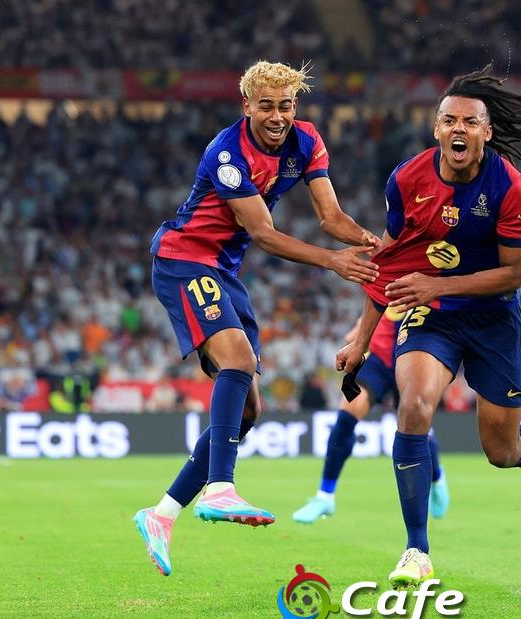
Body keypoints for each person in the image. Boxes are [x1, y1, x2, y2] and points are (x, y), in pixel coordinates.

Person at [133, 61, 381, 577]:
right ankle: (220, 488)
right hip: (184, 260)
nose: (277, 116)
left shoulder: (306, 141)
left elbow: (331, 218)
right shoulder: (227, 153)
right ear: (246, 105)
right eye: (266, 106)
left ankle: (162, 515)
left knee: (247, 412)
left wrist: (369, 241)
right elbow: (264, 234)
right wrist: (333, 261)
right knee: (238, 360)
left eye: (285, 106)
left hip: (223, 271)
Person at [336, 65, 521, 588]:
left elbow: (514, 274)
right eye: (449, 120)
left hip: (493, 317)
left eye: (470, 122)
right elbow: (391, 261)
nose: (459, 129)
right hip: (431, 314)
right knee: (413, 407)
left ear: (487, 132)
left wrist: (437, 284)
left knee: (501, 451)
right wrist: (361, 339)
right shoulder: (406, 180)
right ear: (436, 128)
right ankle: (416, 550)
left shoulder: (512, 189)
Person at [292, 308, 449, 524]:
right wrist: (359, 331)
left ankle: (437, 477)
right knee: (347, 414)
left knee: (416, 426)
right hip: (379, 359)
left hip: (414, 356)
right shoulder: (387, 288)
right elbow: (374, 307)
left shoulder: (432, 288)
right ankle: (325, 496)